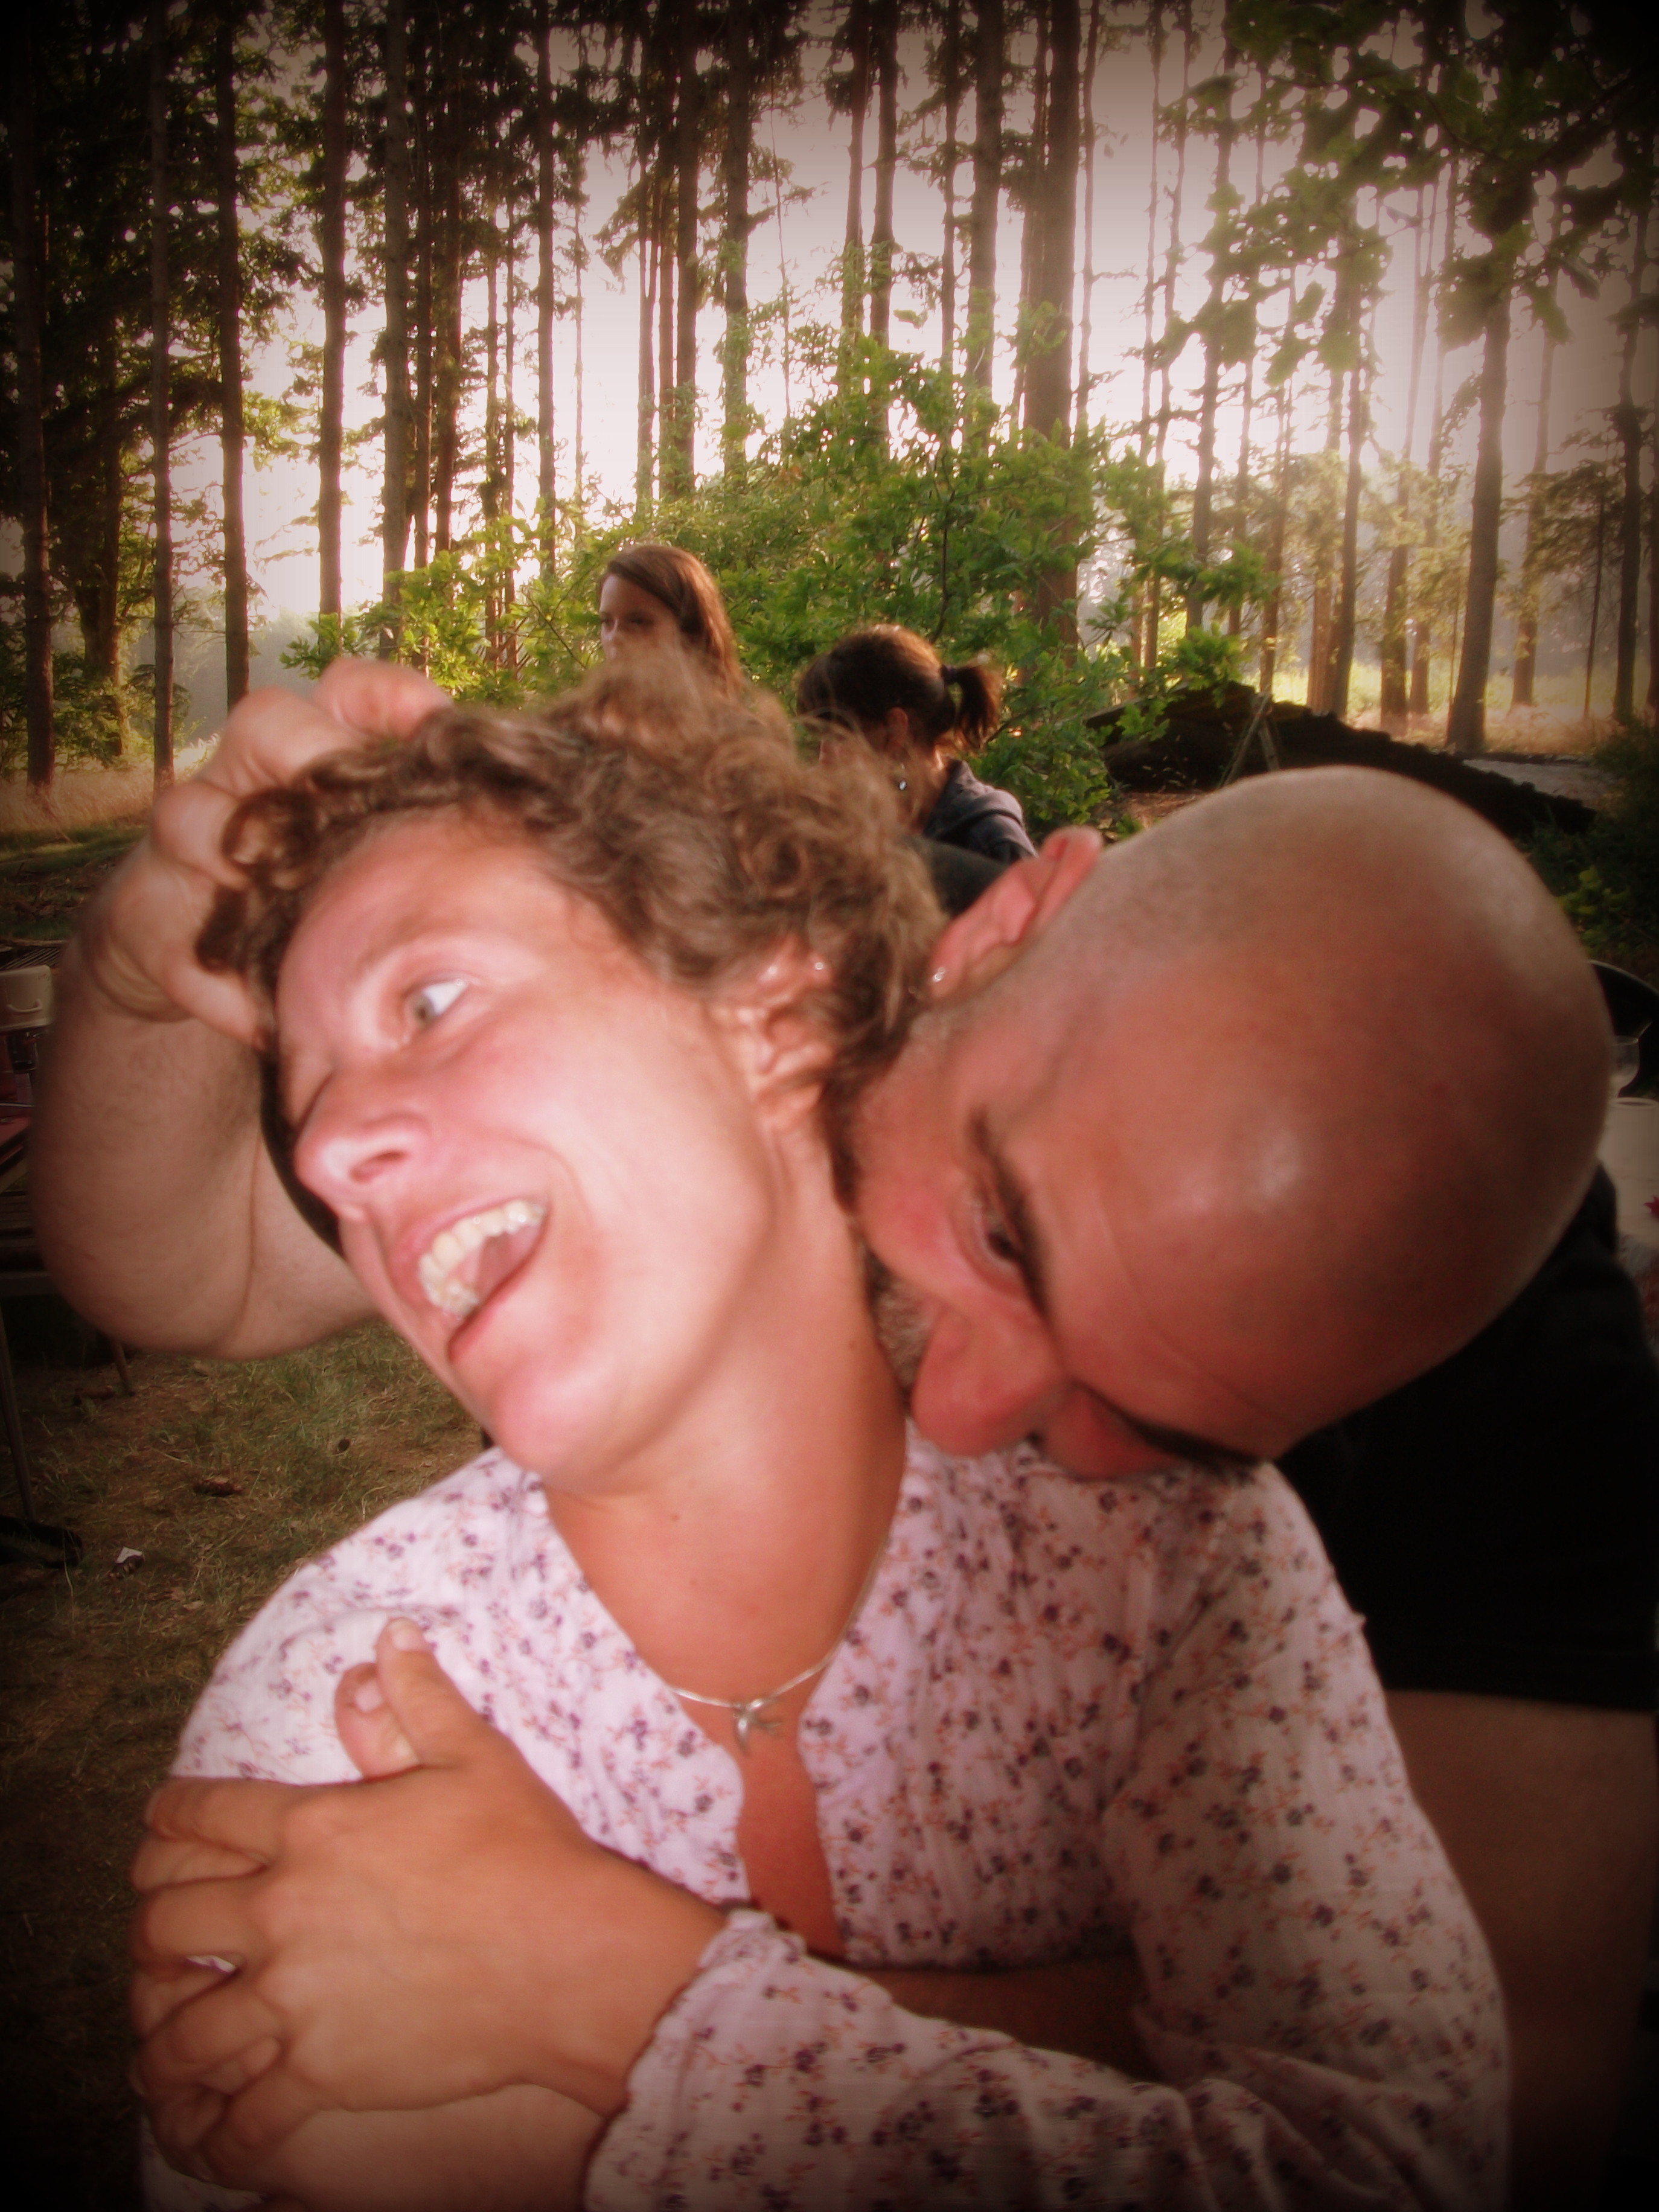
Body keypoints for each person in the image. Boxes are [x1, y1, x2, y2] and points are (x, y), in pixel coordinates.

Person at [33, 664, 1655, 2204]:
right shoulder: (353, 1695)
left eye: (1151, 1419)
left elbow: (1454, 2123)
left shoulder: (1216, 1541)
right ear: (959, 949)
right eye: (1004, 1229)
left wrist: (611, 2025)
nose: (968, 1413)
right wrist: (137, 957)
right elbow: (186, 1263)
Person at [796, 624, 1037, 866]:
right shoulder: (853, 829)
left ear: (894, 728)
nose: (824, 758)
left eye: (838, 737)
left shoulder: (990, 841)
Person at [597, 543, 742, 695]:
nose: (614, 637)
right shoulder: (591, 709)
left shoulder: (718, 710)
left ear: (689, 629)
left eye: (638, 622)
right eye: (607, 622)